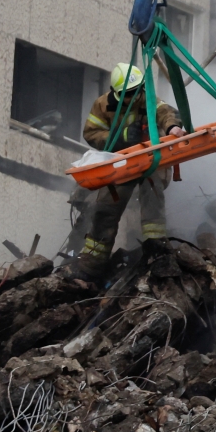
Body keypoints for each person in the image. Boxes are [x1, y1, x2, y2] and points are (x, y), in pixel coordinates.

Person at [76, 63, 185, 277]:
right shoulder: (102, 105)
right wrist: (121, 137)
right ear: (117, 94)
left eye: (138, 91)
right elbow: (91, 134)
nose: (136, 97)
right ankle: (92, 265)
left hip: (148, 161)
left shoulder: (147, 98)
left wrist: (172, 127)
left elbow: (166, 112)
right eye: (130, 93)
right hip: (119, 163)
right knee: (105, 210)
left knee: (152, 198)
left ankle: (157, 252)